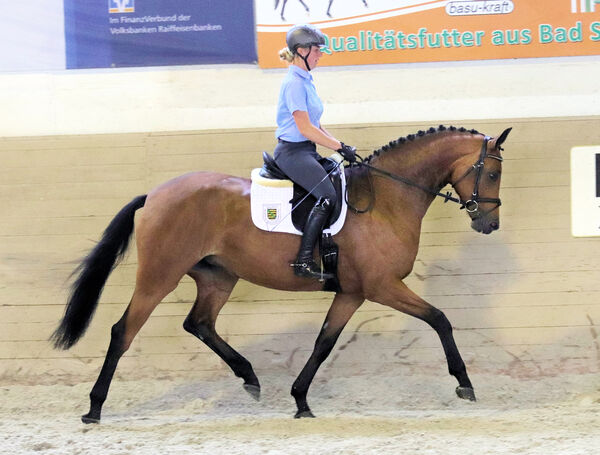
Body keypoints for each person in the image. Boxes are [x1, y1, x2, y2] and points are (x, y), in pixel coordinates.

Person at [274, 24, 357, 280]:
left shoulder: (306, 81)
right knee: (326, 195)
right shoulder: (294, 84)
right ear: (301, 51)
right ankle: (304, 260)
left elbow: (317, 125)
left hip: (306, 150)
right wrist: (338, 147)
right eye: (316, 50)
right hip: (292, 153)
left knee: (338, 176)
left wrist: (339, 144)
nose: (320, 54)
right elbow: (305, 128)